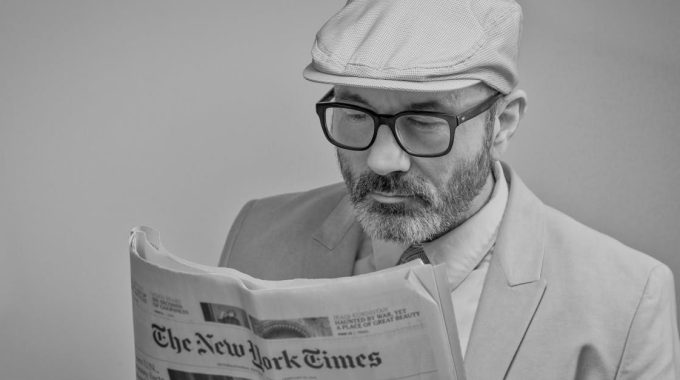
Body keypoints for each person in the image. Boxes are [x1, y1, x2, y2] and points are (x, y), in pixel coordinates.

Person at [218, 0, 680, 378]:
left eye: (423, 122)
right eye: (357, 115)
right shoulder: (257, 236)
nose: (382, 160)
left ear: (502, 123)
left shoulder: (628, 301)